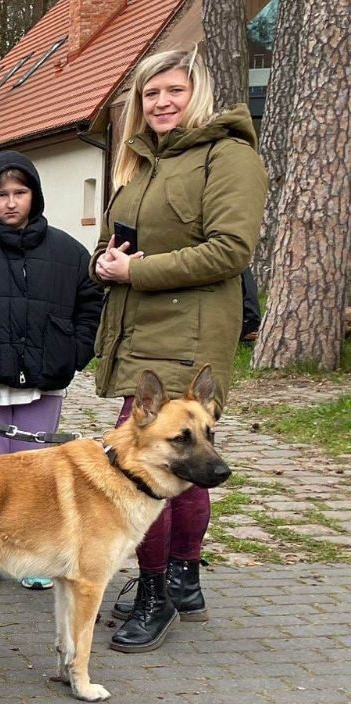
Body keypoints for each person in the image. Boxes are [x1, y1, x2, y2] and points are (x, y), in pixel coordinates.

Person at [93, 49, 266, 654]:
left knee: (141, 464)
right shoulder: (145, 163)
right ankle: (184, 577)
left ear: (200, 94)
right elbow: (126, 240)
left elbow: (230, 249)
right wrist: (107, 260)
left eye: (173, 91)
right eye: (150, 94)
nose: (161, 103)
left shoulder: (230, 156)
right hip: (145, 330)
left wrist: (136, 272)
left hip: (190, 338)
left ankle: (155, 593)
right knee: (185, 471)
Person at [0, 151, 103, 590]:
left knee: (37, 474)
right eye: (1, 194)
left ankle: (31, 557)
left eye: (20, 193)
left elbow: (90, 306)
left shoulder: (68, 253)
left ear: (35, 195)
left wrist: (74, 351)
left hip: (45, 381)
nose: (11, 203)